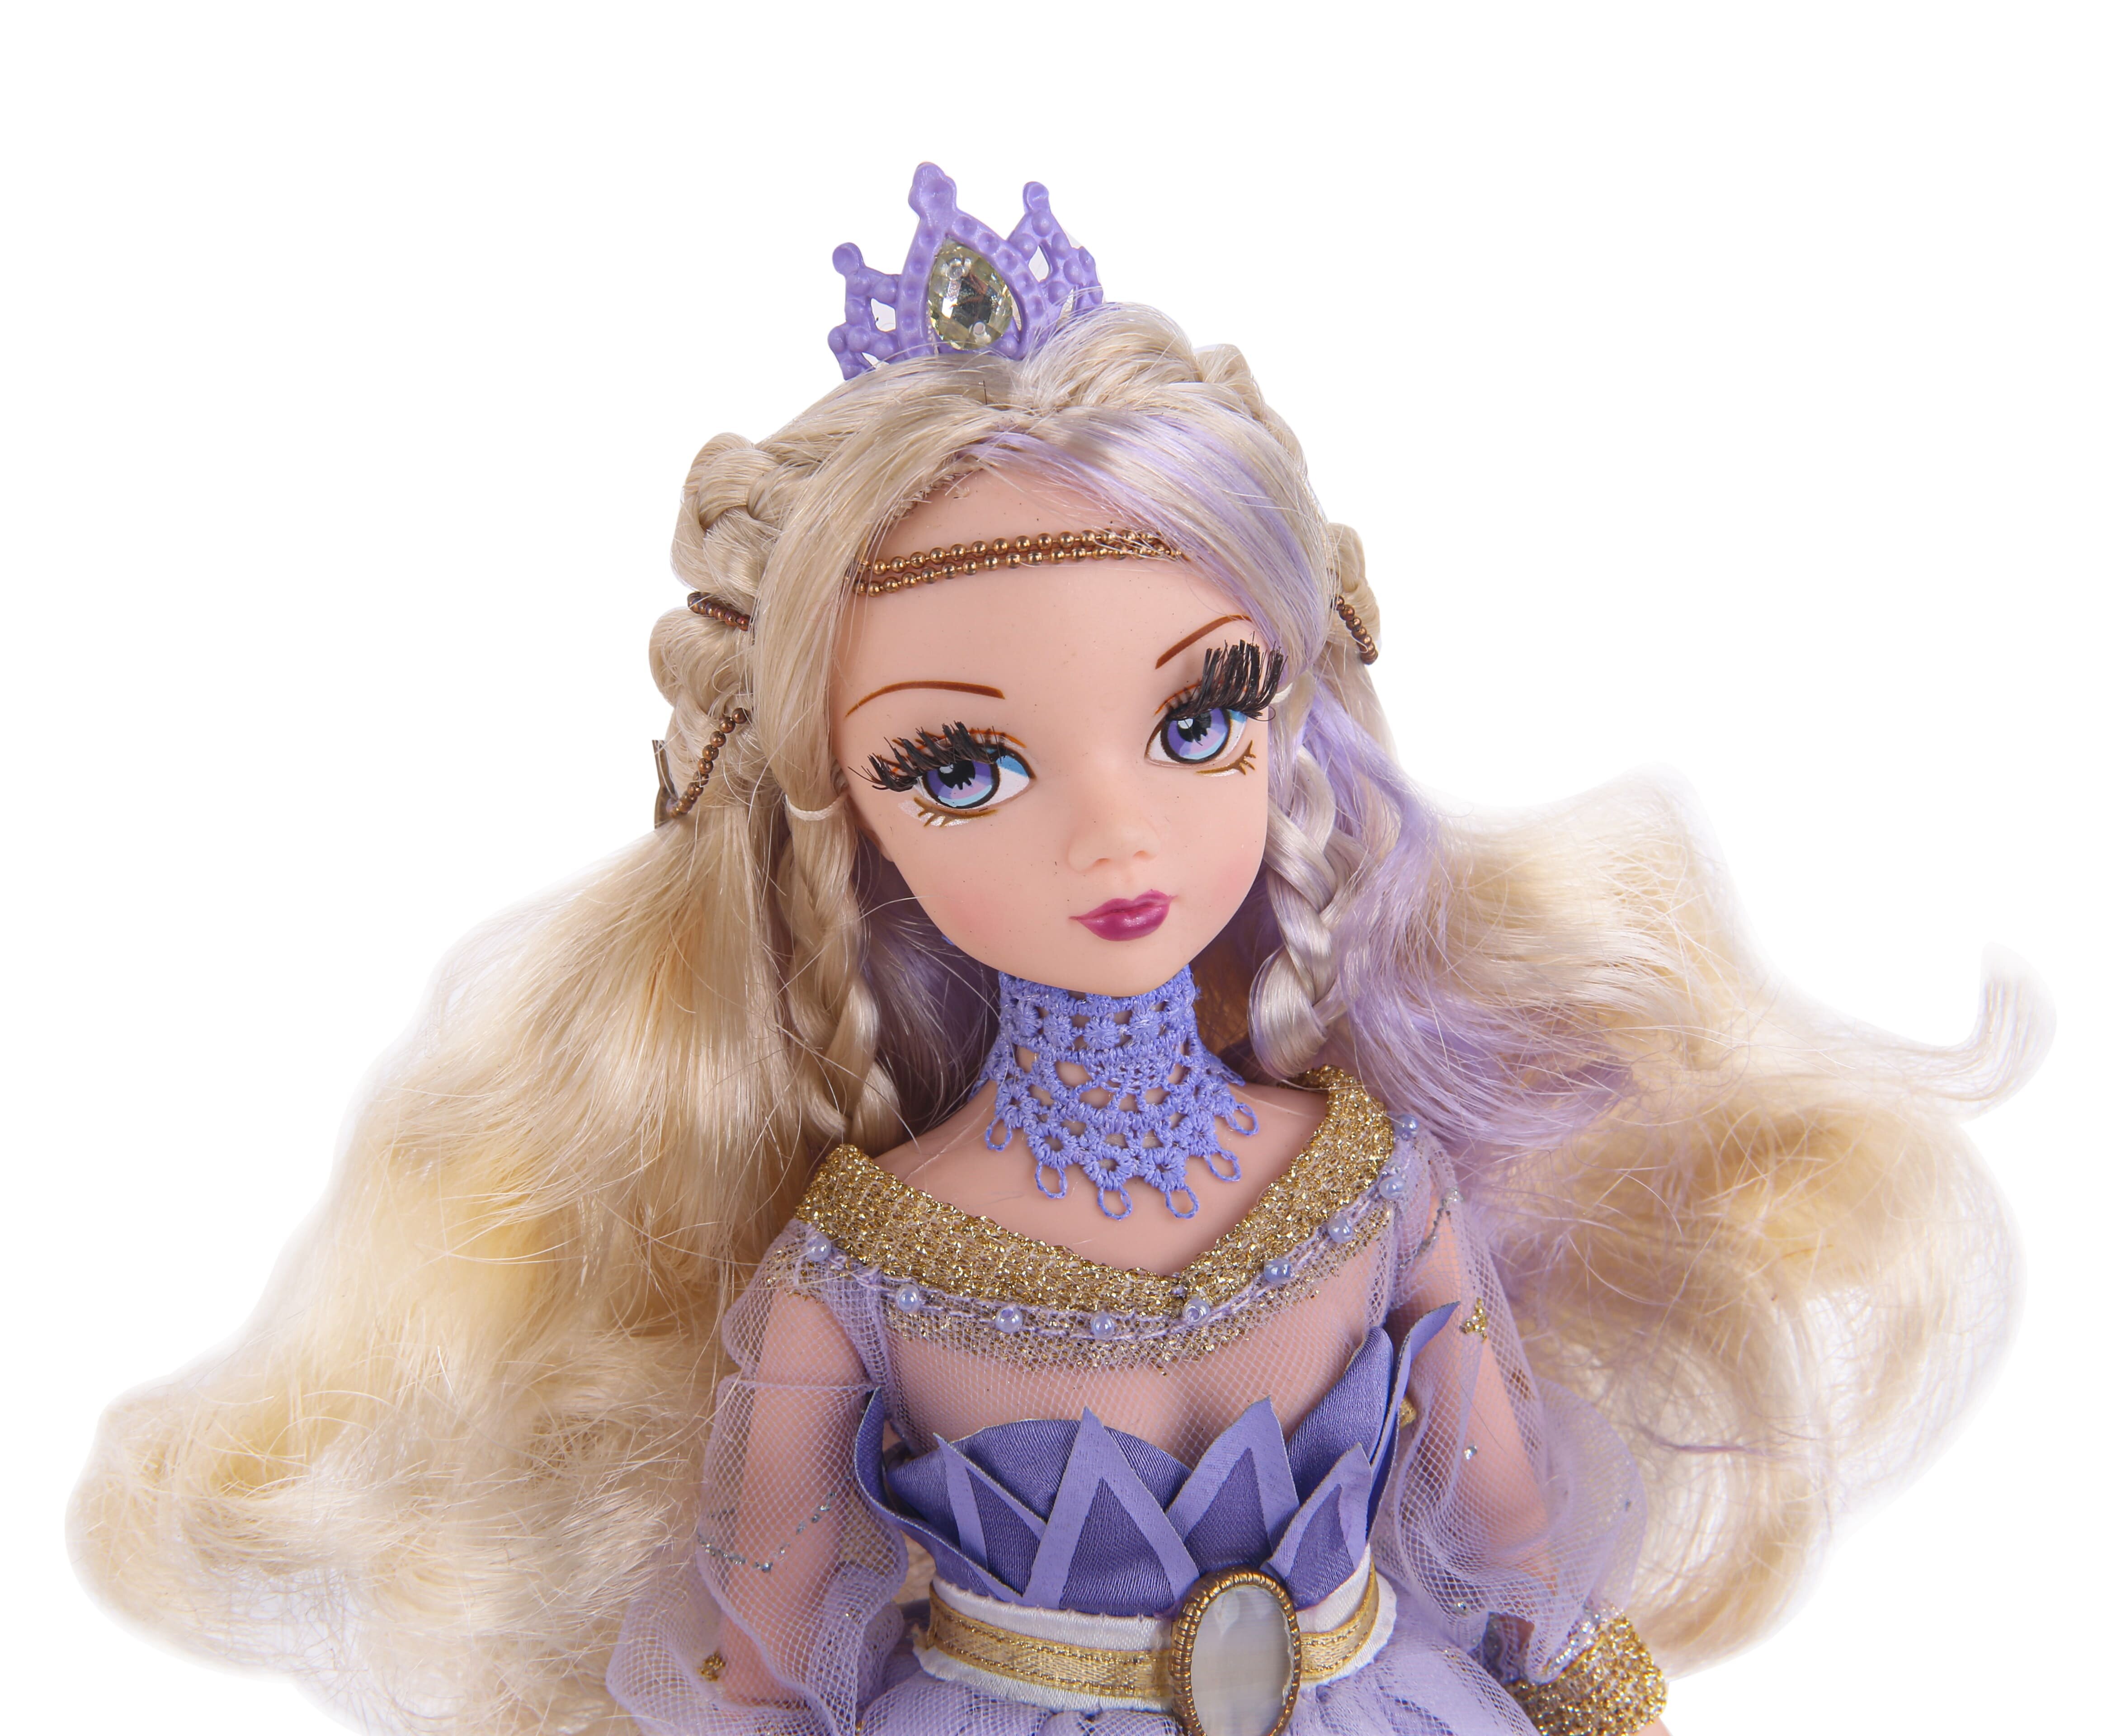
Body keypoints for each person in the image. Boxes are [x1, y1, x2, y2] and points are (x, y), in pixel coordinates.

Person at [73, 165, 2037, 1736]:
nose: (1112, 834)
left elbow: (1526, 1575)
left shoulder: (1378, 1188)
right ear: (842, 812)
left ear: (1292, 726)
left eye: (1200, 716)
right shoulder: (856, 1275)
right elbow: (758, 1673)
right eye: (963, 764)